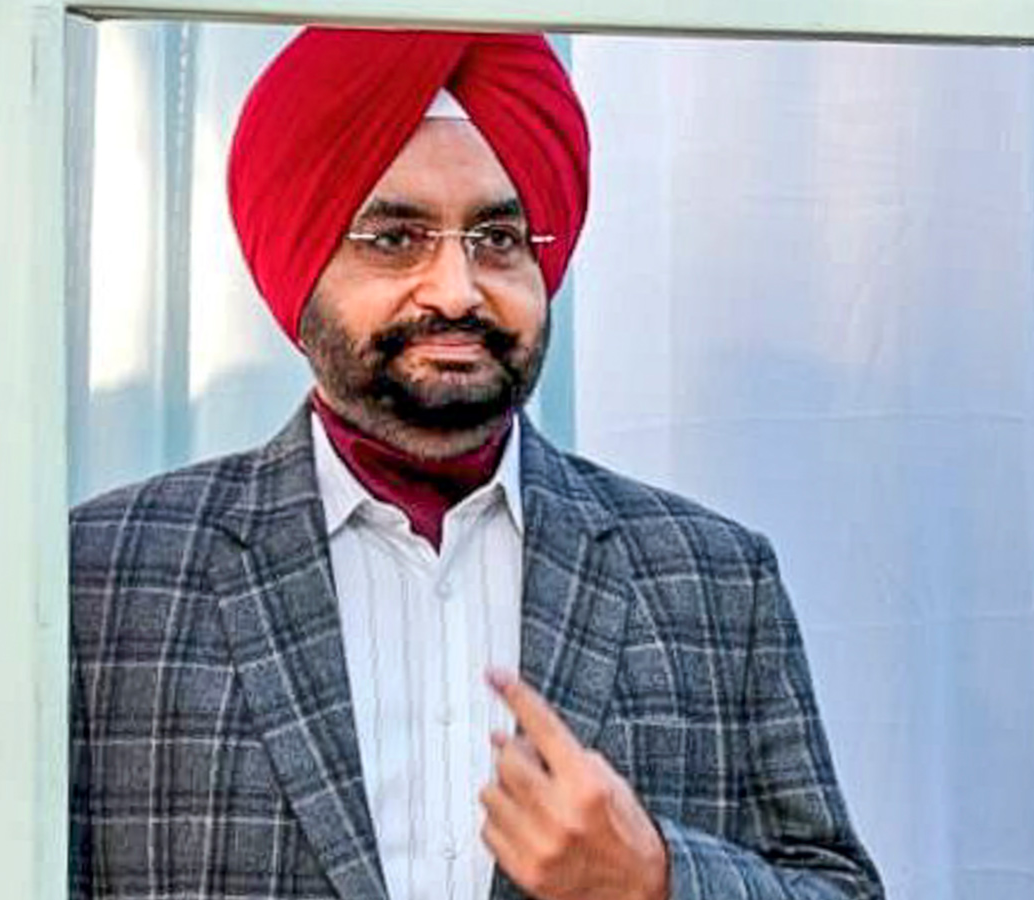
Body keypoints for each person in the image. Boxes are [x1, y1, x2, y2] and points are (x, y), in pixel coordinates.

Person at [69, 27, 884, 900]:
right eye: (395, 238)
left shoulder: (712, 579)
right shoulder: (107, 577)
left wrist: (658, 877)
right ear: (299, 259)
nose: (457, 290)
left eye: (498, 238)